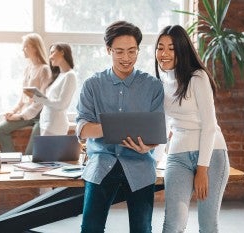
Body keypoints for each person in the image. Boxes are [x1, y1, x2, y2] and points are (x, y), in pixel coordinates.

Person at [76, 20, 164, 233]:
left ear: (138, 51)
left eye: (132, 51)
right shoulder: (92, 85)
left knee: (142, 229)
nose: (126, 58)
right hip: (101, 162)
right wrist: (114, 127)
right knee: (90, 228)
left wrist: (148, 146)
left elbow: (157, 130)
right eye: (119, 51)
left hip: (140, 163)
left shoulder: (153, 86)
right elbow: (82, 130)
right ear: (108, 50)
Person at [154, 25, 229, 233]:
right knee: (173, 223)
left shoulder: (197, 77)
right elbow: (164, 125)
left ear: (182, 49)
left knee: (207, 224)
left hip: (212, 154)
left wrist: (202, 169)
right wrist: (155, 160)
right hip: (178, 155)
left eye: (171, 48)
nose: (164, 53)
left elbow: (209, 125)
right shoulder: (161, 82)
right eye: (160, 48)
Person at [0, 33, 52, 155]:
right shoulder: (28, 69)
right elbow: (24, 97)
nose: (22, 49)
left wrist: (20, 116)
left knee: (29, 155)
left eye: (25, 46)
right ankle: (11, 159)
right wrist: (14, 111)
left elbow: (42, 101)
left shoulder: (45, 69)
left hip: (40, 116)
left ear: (35, 48)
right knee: (0, 129)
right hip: (27, 114)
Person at [24, 42, 77, 136]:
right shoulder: (60, 75)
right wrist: (35, 97)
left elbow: (61, 104)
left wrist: (37, 97)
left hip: (55, 126)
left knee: (43, 151)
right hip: (46, 123)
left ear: (62, 52)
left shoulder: (70, 76)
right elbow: (50, 100)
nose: (50, 57)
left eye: (52, 52)